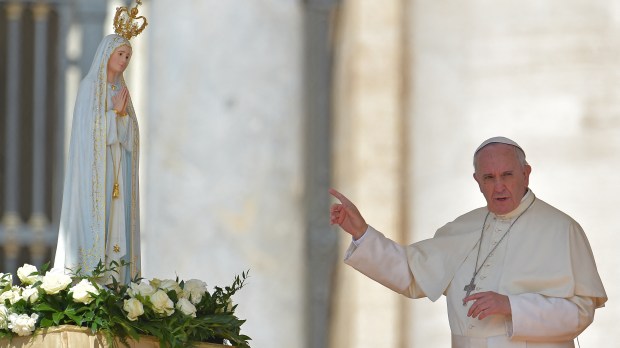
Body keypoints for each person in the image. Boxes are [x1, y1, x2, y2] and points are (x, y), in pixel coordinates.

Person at [330, 136, 607, 348]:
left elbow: (581, 312)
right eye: (489, 177)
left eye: (507, 175)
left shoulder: (561, 229)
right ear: (477, 181)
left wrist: (511, 306)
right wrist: (362, 232)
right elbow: (411, 274)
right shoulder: (463, 227)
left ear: (526, 173)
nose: (499, 186)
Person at [54, 33, 141, 284]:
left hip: (117, 172)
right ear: (107, 55)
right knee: (98, 224)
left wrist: (122, 117)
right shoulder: (90, 87)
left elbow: (131, 136)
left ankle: (118, 282)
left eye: (128, 56)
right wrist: (115, 114)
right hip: (95, 175)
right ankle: (89, 284)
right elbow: (87, 133)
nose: (124, 61)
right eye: (120, 54)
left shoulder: (121, 90)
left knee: (118, 222)